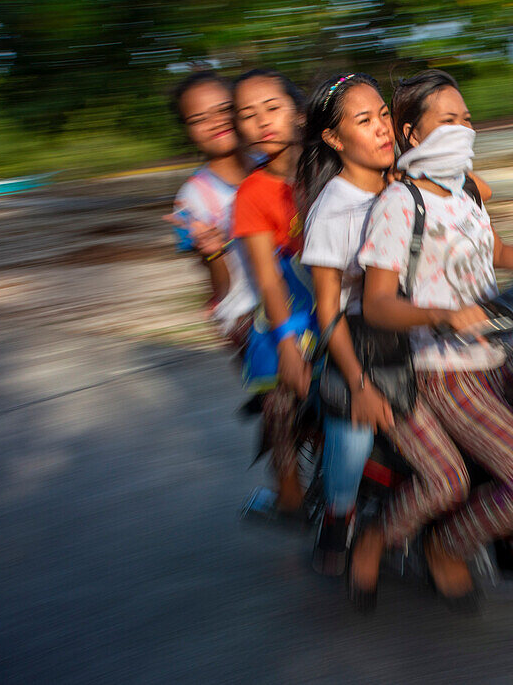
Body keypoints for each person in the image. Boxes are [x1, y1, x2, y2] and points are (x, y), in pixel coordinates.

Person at [353, 69, 513, 604]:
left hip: (503, 351)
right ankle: (442, 545)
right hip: (444, 371)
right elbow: (377, 303)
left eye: (467, 118)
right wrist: (443, 315)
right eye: (449, 120)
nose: (464, 128)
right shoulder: (400, 205)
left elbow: (499, 254)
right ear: (412, 134)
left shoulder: (466, 190)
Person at [297, 73, 395, 580]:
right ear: (335, 140)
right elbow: (327, 311)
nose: (383, 128)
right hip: (354, 343)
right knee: (356, 431)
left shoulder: (404, 181)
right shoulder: (333, 211)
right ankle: (339, 513)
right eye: (365, 120)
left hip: (412, 329)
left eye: (384, 114)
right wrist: (357, 384)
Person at [230, 69, 312, 515]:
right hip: (293, 295)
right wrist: (286, 343)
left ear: (299, 115)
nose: (262, 121)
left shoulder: (334, 166)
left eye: (273, 108)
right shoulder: (252, 193)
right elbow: (266, 276)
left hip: (344, 283)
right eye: (248, 115)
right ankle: (287, 483)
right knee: (280, 393)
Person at [167, 71, 257, 345]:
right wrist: (213, 252)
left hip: (302, 305)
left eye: (224, 110)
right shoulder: (191, 199)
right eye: (199, 119)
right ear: (187, 130)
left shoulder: (272, 162)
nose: (215, 122)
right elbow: (220, 288)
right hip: (249, 321)